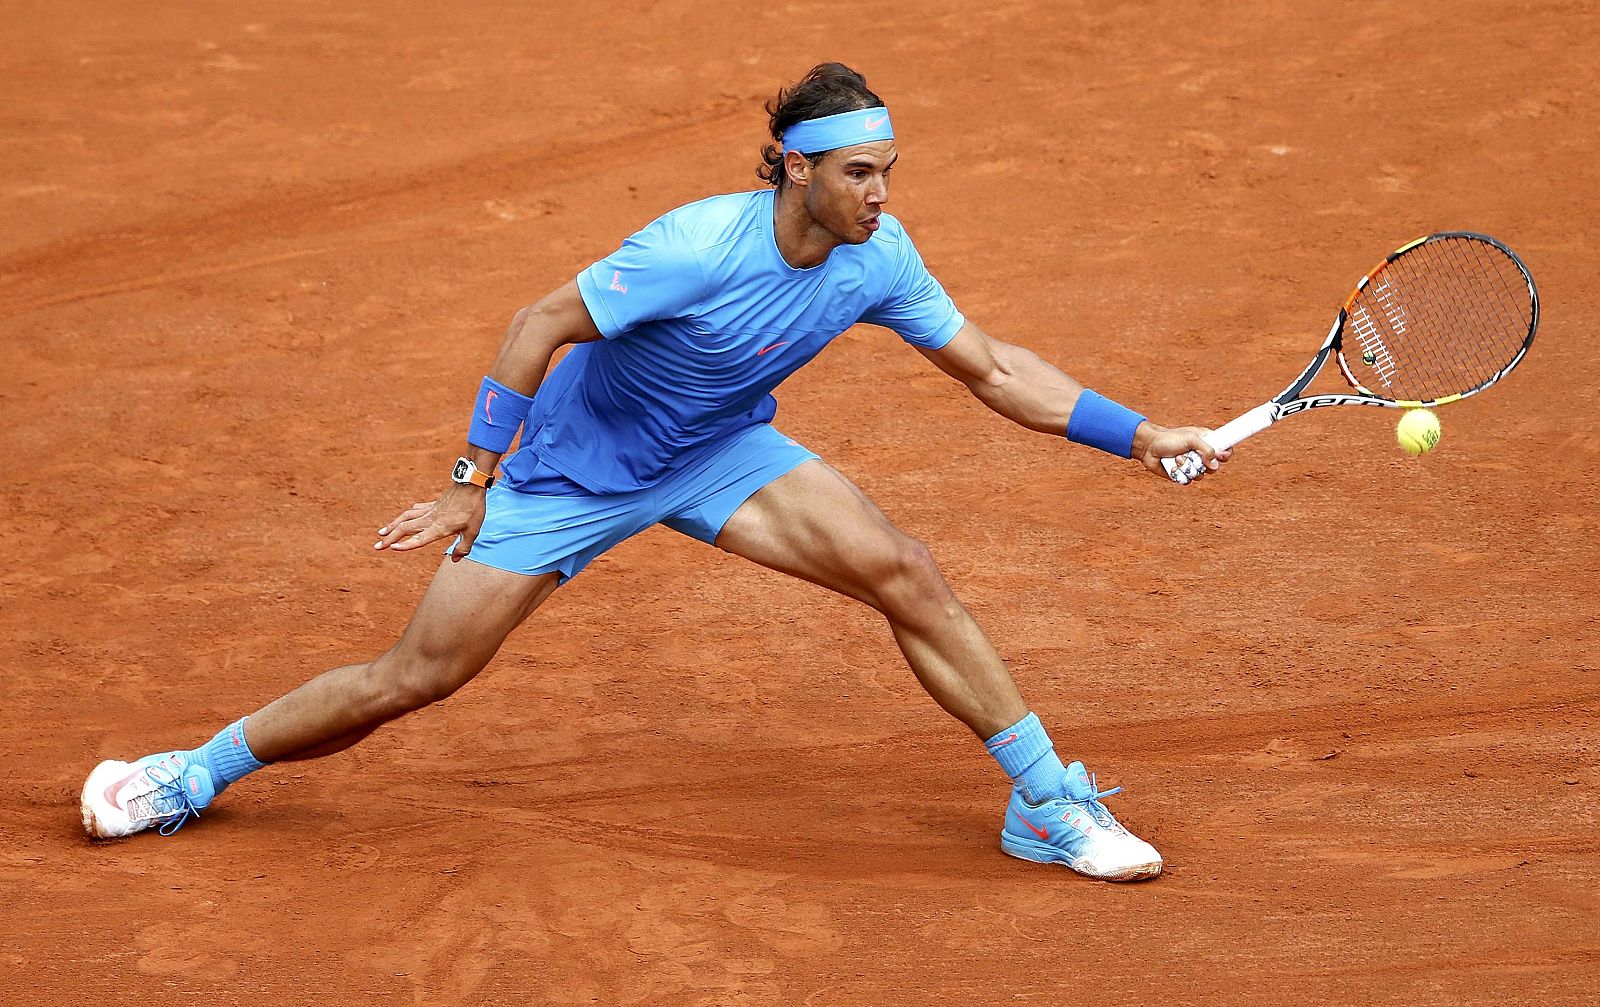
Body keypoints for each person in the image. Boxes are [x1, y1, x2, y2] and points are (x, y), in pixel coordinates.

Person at [80, 62, 1226, 882]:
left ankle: (1045, 803)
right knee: (414, 676)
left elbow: (992, 367)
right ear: (793, 168)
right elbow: (537, 324)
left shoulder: (880, 256)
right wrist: (473, 478)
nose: (882, 194)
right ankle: (194, 769)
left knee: (905, 570)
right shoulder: (689, 249)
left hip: (718, 450)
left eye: (890, 172)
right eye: (861, 174)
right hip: (570, 475)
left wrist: (1139, 434)